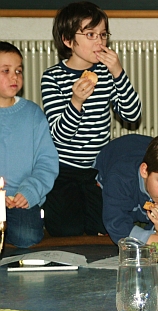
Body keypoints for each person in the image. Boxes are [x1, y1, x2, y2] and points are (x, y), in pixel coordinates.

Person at [41, 1, 142, 237]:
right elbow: (60, 136)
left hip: (97, 170)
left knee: (104, 226)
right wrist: (75, 102)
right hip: (63, 169)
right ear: (68, 40)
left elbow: (133, 115)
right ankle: (44, 205)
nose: (100, 42)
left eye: (103, 34)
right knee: (67, 229)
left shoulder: (107, 75)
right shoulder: (52, 78)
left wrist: (118, 72)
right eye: (90, 34)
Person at [0, 41, 59, 248]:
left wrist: (30, 192)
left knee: (27, 236)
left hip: (21, 198)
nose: (14, 76)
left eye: (18, 70)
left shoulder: (32, 114)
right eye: (5, 71)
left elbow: (46, 162)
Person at [93, 132, 158, 246]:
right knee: (100, 226)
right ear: (144, 171)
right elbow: (116, 225)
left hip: (144, 167)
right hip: (108, 172)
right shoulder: (120, 178)